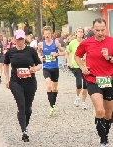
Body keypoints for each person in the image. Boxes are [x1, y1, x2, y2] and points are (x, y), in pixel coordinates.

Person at [75, 18, 113, 147]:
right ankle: (103, 140)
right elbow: (77, 55)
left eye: (103, 30)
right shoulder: (87, 43)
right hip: (93, 79)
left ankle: (105, 135)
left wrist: (109, 58)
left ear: (106, 29)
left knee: (108, 113)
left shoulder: (111, 42)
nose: (100, 33)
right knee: (100, 110)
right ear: (93, 29)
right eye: (97, 30)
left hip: (109, 80)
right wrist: (82, 67)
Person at [4, 29, 42, 142]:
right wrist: (7, 79)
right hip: (16, 81)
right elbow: (6, 65)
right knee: (21, 105)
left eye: (21, 39)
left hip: (30, 82)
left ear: (24, 39)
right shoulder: (10, 52)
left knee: (28, 108)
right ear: (14, 39)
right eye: (18, 39)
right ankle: (24, 131)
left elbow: (39, 64)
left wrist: (35, 69)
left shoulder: (31, 51)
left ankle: (25, 125)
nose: (20, 41)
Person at [37, 26, 66, 116]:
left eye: (48, 34)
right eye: (45, 34)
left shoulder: (56, 43)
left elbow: (64, 52)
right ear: (43, 35)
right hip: (46, 67)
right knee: (48, 86)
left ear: (51, 34)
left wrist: (57, 54)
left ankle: (53, 104)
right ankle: (52, 106)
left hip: (55, 68)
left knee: (54, 88)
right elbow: (38, 52)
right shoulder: (41, 44)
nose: (47, 35)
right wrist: (40, 57)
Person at [66, 27, 88, 109]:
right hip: (76, 66)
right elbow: (67, 52)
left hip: (85, 66)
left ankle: (83, 102)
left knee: (85, 85)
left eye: (81, 32)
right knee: (79, 84)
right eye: (78, 32)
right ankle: (77, 96)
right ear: (76, 33)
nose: (80, 33)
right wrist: (68, 61)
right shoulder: (72, 43)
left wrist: (86, 57)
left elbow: (89, 52)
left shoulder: (85, 42)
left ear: (83, 34)